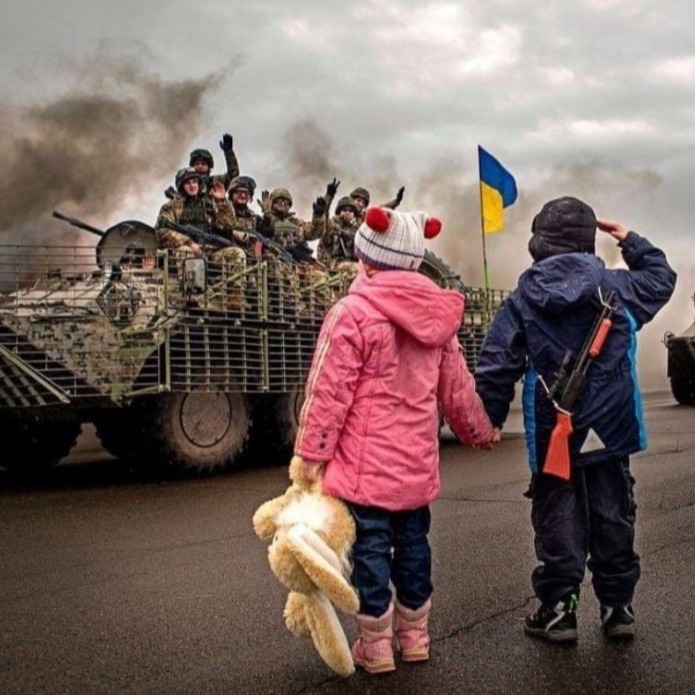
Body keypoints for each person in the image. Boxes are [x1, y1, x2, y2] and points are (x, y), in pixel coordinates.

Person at [294, 207, 496, 674]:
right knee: (413, 546)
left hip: (364, 471)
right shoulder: (438, 318)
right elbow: (457, 389)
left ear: (366, 259)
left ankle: (376, 645)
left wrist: (311, 455)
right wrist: (479, 431)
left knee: (369, 550)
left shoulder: (352, 313)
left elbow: (328, 391)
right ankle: (415, 636)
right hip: (416, 466)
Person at [474, 196, 677, 643]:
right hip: (611, 430)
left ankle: (558, 611)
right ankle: (617, 607)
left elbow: (495, 363)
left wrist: (489, 419)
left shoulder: (523, 297)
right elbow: (663, 278)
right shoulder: (617, 287)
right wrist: (630, 240)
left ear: (539, 241)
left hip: (553, 430)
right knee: (613, 513)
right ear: (587, 240)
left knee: (557, 515)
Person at [155, 167, 247, 308]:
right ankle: (193, 296)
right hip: (183, 252)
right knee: (185, 252)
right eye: (188, 183)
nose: (192, 186)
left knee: (237, 253)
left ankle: (234, 298)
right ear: (181, 186)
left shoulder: (208, 205)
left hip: (209, 251)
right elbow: (162, 231)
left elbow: (228, 225)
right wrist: (188, 242)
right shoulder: (171, 207)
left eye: (195, 182)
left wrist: (222, 201)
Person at [317, 195, 360, 283]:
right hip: (331, 263)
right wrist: (328, 200)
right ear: (339, 211)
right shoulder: (331, 225)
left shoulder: (356, 230)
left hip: (349, 262)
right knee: (357, 268)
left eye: (350, 210)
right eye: (344, 210)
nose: (347, 212)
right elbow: (325, 216)